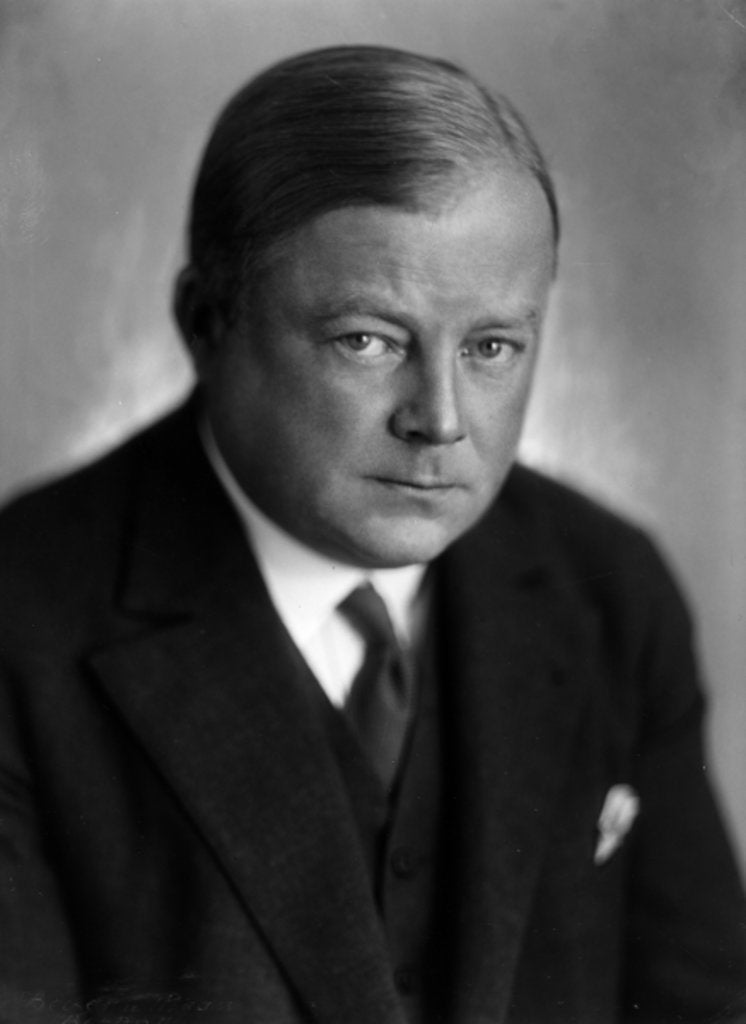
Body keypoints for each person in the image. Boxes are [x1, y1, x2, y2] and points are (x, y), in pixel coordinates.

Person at [0, 44, 744, 1024]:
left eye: (489, 348)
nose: (439, 418)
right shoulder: (22, 616)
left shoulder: (604, 584)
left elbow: (702, 997)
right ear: (204, 322)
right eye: (368, 340)